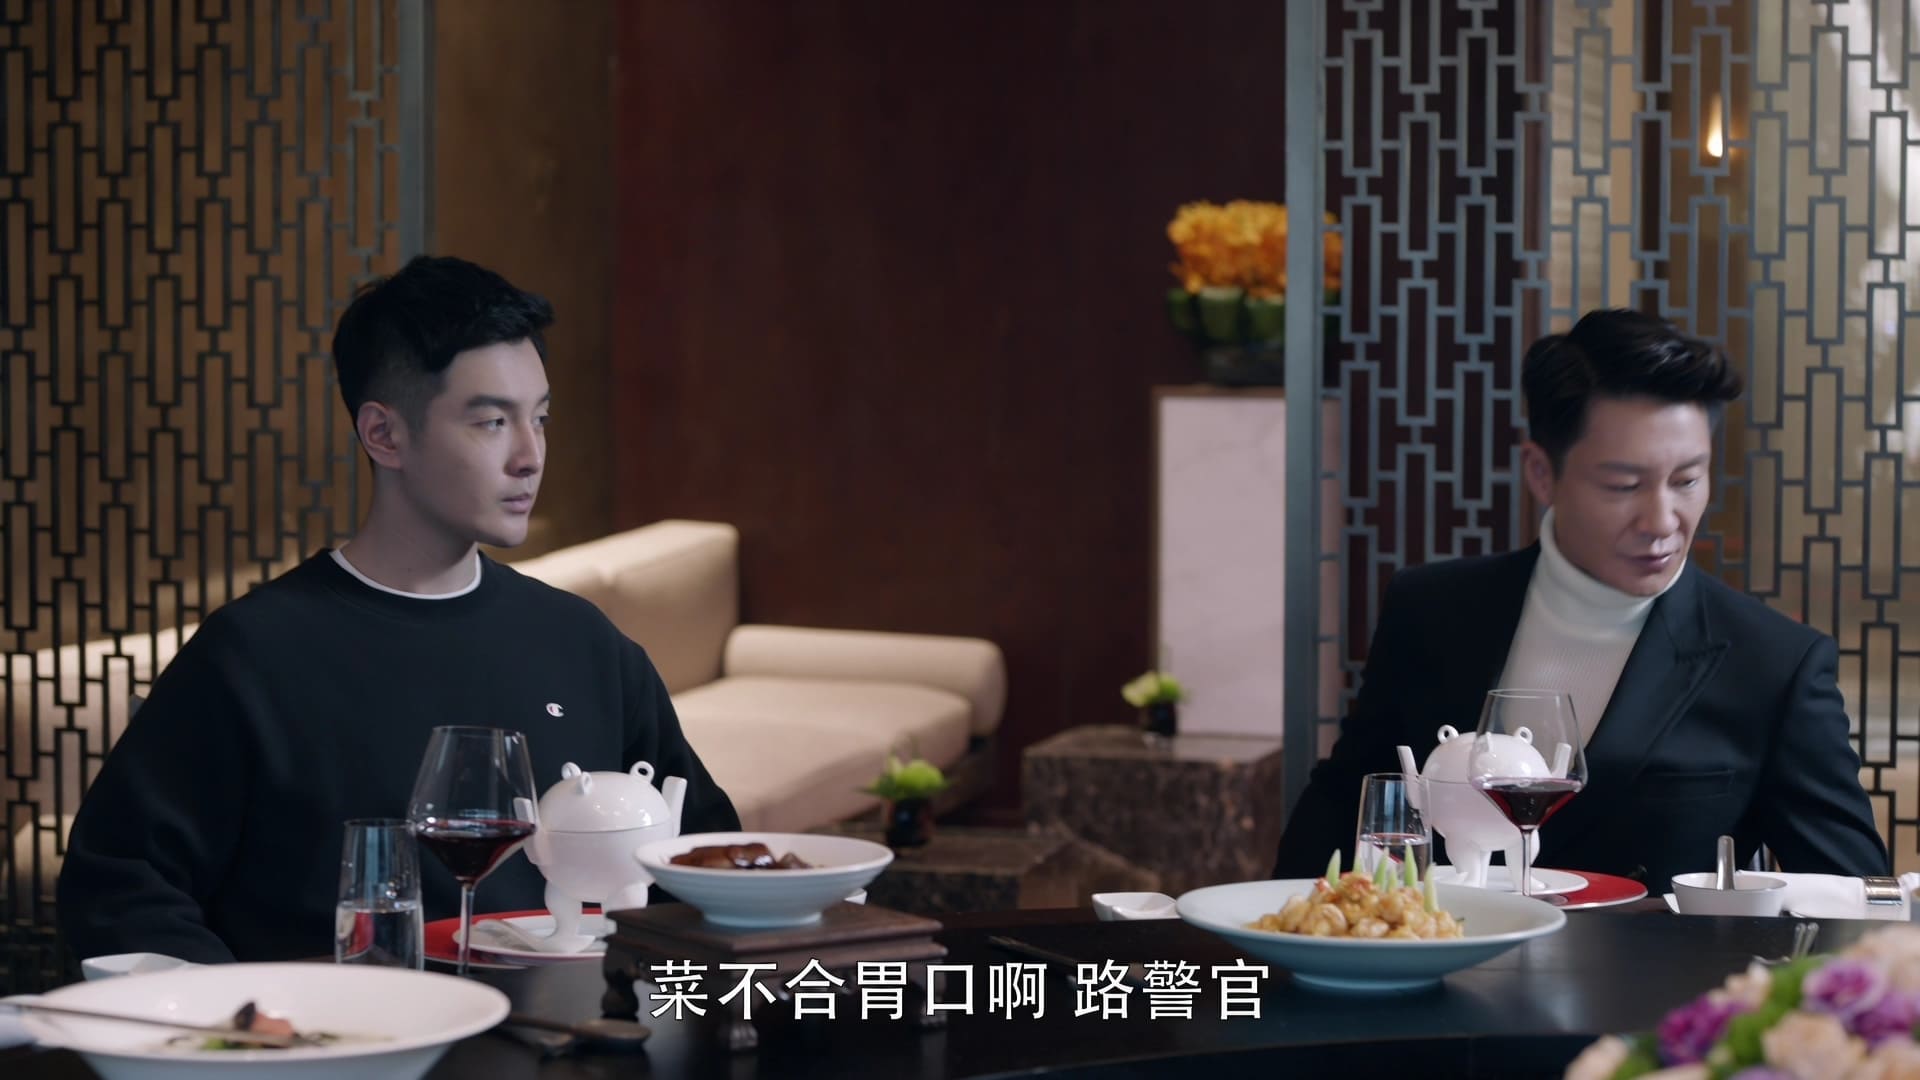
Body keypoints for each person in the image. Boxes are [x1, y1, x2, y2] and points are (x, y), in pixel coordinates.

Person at [57, 256, 740, 963]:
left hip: (574, 1021)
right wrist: (254, 1018)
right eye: (491, 422)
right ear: (384, 435)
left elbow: (703, 862)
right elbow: (121, 888)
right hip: (343, 1024)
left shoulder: (580, 640)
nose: (530, 455)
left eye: (539, 418)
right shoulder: (254, 653)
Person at [1271, 309, 1888, 889]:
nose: (1662, 521)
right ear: (1542, 473)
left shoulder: (1773, 663)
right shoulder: (1432, 611)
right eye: (1623, 485)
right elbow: (1343, 809)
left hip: (1655, 972)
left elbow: (1855, 895)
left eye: (1687, 480)